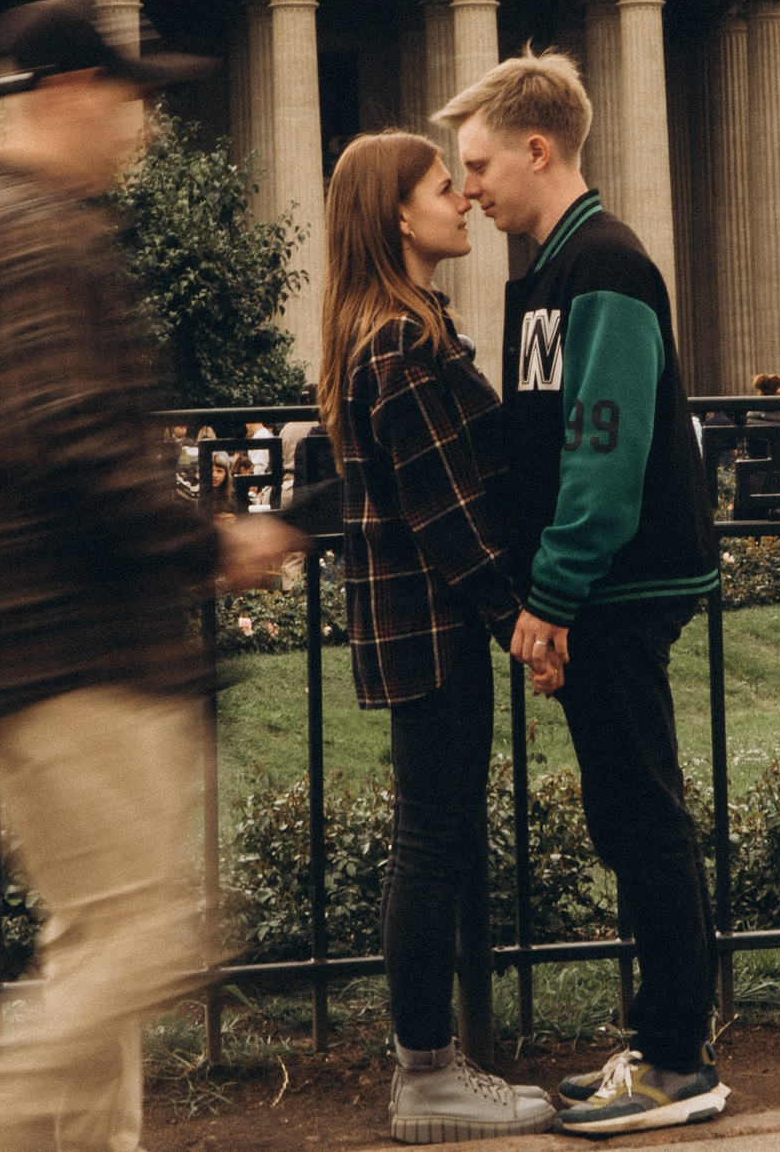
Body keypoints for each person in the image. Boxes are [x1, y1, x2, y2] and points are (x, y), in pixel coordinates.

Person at [0, 0, 301, 1152]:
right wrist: (207, 540)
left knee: (97, 937)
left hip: (32, 649)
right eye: (133, 103)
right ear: (70, 91)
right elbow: (64, 441)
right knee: (147, 937)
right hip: (71, 651)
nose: (144, 132)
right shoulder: (34, 234)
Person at [438, 50, 727, 1137]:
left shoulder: (600, 265)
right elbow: (552, 442)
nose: (468, 187)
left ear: (535, 147)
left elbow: (603, 456)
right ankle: (662, 1045)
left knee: (642, 816)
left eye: (476, 164)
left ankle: (675, 1061)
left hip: (621, 578)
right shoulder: (558, 265)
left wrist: (549, 600)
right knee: (628, 812)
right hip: (605, 580)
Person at [320, 131, 556, 1142]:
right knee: (431, 843)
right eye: (436, 187)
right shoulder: (402, 342)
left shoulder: (392, 328)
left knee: (434, 838)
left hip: (415, 622)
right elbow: (444, 509)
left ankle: (431, 1068)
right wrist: (517, 622)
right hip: (436, 623)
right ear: (395, 215)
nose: (460, 197)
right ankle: (425, 1075)